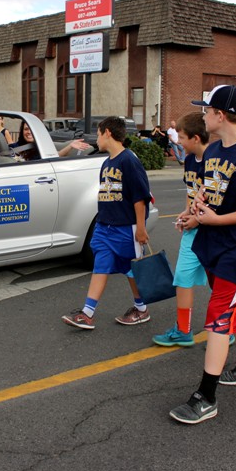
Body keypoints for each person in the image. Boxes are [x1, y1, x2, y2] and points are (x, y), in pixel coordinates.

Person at [170, 85, 236, 425]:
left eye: (206, 110)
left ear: (219, 115)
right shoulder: (215, 150)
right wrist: (193, 215)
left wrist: (216, 220)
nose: (203, 115)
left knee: (219, 318)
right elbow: (207, 192)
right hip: (213, 243)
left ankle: (206, 396)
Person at [61, 116, 153, 329]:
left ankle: (141, 309)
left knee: (131, 269)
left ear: (108, 133)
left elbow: (140, 197)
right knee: (100, 265)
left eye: (99, 134)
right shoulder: (107, 162)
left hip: (125, 226)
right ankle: (87, 313)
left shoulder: (129, 160)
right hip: (105, 226)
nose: (97, 139)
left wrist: (140, 228)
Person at [152, 112, 210, 347]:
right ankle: (183, 330)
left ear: (195, 138)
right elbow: (192, 194)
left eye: (182, 137)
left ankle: (229, 327)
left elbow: (217, 199)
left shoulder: (214, 160)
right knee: (183, 278)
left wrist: (197, 219)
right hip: (193, 230)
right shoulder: (189, 160)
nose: (178, 141)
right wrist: (186, 214)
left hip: (215, 232)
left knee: (222, 283)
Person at [14, 120, 90, 160]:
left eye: (32, 129)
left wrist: (70, 146)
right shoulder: (14, 147)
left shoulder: (42, 148)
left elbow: (56, 156)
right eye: (26, 129)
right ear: (22, 131)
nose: (29, 132)